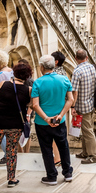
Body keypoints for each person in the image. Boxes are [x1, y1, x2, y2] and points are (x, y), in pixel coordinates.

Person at [0, 62, 33, 188]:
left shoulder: (3, 84)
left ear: (14, 73)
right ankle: (11, 178)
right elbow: (30, 105)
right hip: (14, 124)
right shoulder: (28, 90)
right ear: (27, 76)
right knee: (11, 151)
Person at [32, 54, 74, 185]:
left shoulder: (38, 82)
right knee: (63, 146)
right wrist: (60, 115)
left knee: (46, 149)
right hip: (59, 121)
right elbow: (71, 100)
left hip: (42, 122)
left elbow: (35, 105)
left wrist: (46, 118)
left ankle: (51, 176)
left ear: (42, 67)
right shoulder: (64, 80)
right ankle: (67, 173)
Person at [71, 49, 96, 164]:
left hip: (82, 106)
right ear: (87, 57)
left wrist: (73, 107)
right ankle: (85, 152)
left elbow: (75, 92)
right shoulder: (91, 67)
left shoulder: (77, 72)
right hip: (91, 103)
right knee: (85, 129)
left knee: (87, 131)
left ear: (75, 58)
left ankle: (94, 156)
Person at [0, 50, 14, 165]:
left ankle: (7, 153)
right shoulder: (12, 71)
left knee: (1, 131)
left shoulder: (0, 75)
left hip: (3, 105)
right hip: (12, 104)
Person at [17, 59, 35, 153]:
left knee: (26, 132)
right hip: (20, 110)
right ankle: (20, 151)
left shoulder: (29, 81)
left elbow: (33, 99)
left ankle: (26, 152)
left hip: (27, 111)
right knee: (19, 132)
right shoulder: (19, 80)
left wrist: (28, 114)